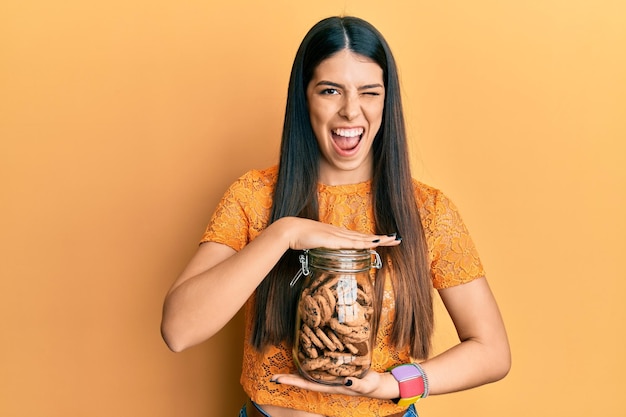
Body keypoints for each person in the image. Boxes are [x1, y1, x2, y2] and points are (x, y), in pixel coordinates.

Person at [161, 15, 511, 417]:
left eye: (369, 92)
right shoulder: (255, 197)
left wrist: (397, 384)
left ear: (386, 100)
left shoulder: (427, 211)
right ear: (304, 97)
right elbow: (178, 330)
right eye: (330, 90)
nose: (351, 111)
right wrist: (283, 234)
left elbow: (492, 351)